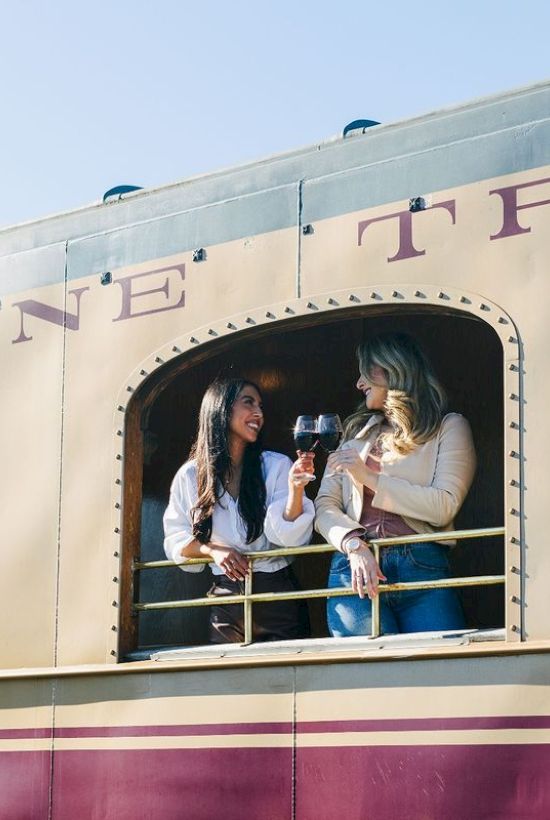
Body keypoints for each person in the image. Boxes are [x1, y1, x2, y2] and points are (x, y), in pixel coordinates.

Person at [315, 332, 476, 637]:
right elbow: (325, 506)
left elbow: (444, 507)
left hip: (423, 568)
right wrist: (353, 544)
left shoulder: (448, 427)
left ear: (393, 370)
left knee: (440, 673)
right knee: (364, 677)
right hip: (355, 569)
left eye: (366, 373)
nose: (359, 383)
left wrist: (369, 479)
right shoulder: (354, 434)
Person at [164, 377, 315, 643]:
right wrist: (212, 550)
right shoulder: (190, 475)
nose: (258, 413)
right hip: (225, 597)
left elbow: (288, 537)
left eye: (260, 405)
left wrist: (296, 489)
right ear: (221, 408)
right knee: (228, 679)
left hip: (277, 594)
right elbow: (176, 540)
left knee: (285, 679)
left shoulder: (277, 465)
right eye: (249, 403)